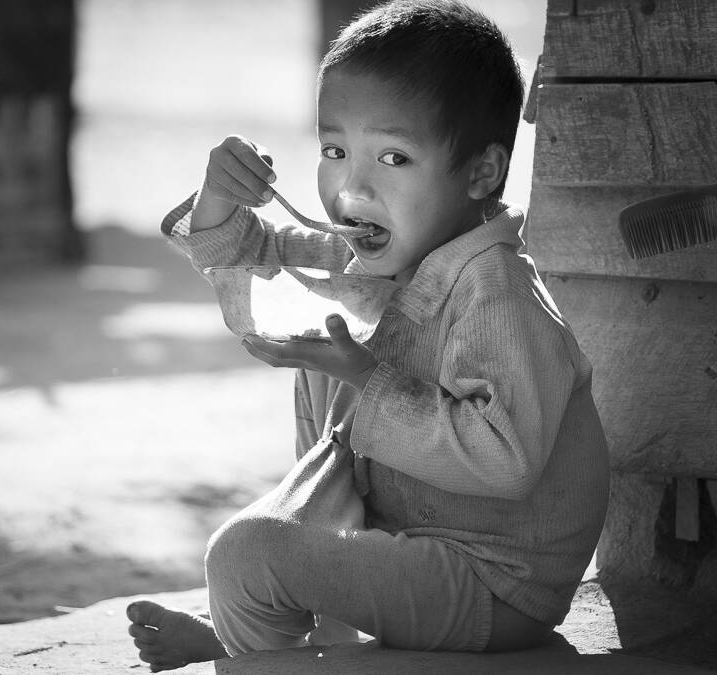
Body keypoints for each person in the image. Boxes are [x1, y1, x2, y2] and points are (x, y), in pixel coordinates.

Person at [127, 0, 611, 670]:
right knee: (317, 320)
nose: (352, 185)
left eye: (393, 156)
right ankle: (259, 648)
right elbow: (253, 252)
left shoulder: (496, 293)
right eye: (334, 150)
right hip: (400, 544)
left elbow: (507, 459)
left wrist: (366, 377)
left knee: (244, 553)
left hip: (494, 582)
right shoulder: (367, 255)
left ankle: (252, 651)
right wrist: (218, 196)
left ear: (480, 173)